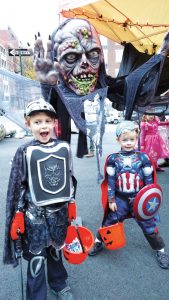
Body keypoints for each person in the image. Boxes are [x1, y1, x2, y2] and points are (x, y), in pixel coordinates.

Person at [3, 99, 77, 300]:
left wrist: (71, 202)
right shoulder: (24, 151)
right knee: (36, 258)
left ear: (54, 123)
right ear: (28, 124)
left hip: (59, 213)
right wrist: (17, 214)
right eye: (37, 122)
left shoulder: (64, 147)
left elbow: (68, 178)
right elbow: (17, 186)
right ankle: (36, 296)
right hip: (33, 216)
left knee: (55, 250)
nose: (43, 126)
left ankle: (59, 283)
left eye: (47, 121)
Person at [89, 120, 169, 269]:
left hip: (139, 200)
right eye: (125, 139)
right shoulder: (113, 159)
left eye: (132, 139)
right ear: (118, 139)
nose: (128, 143)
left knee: (149, 225)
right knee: (109, 222)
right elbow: (111, 181)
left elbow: (150, 183)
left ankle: (161, 250)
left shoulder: (143, 158)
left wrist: (148, 202)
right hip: (120, 199)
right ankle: (98, 242)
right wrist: (111, 199)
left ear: (136, 138)